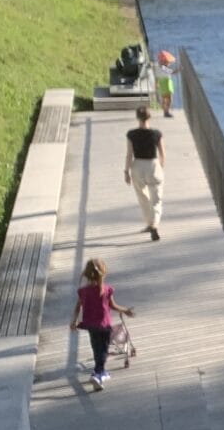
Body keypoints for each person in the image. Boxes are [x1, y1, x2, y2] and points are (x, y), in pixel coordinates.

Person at [69, 257, 134, 392]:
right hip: (104, 326)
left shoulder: (83, 291)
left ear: (86, 274)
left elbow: (77, 308)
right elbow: (113, 305)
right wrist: (125, 310)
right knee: (103, 350)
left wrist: (74, 320)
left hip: (90, 326)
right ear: (103, 273)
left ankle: (99, 372)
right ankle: (98, 374)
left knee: (96, 347)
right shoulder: (107, 290)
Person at [125, 106, 166, 239]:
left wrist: (126, 171)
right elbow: (162, 154)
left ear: (137, 117)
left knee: (143, 197)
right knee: (156, 198)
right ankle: (154, 224)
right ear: (150, 117)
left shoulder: (131, 134)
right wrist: (160, 167)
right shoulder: (157, 134)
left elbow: (129, 155)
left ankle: (150, 223)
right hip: (153, 165)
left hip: (137, 165)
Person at [154, 52, 178, 118]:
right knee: (169, 99)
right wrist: (179, 69)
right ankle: (166, 112)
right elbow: (173, 72)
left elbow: (156, 77)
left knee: (164, 98)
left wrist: (156, 84)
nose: (168, 63)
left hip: (161, 83)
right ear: (164, 61)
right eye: (167, 62)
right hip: (167, 83)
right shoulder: (164, 68)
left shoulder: (157, 67)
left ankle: (165, 111)